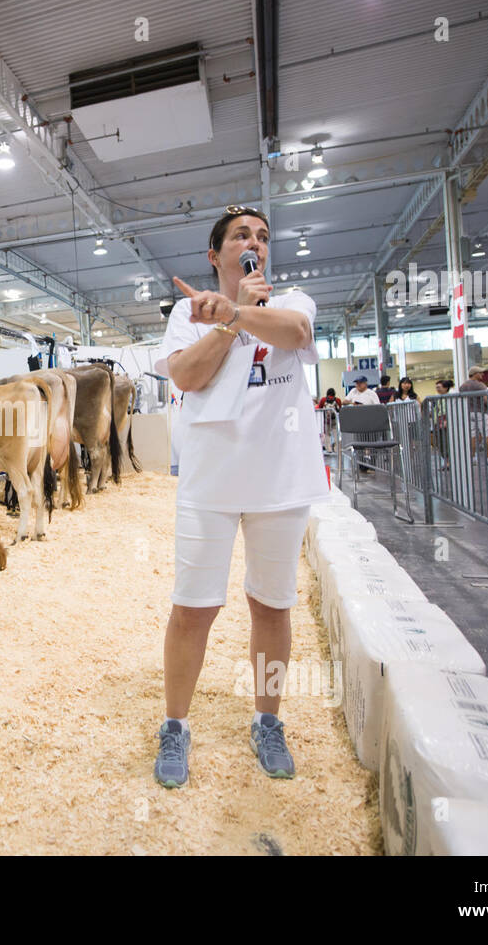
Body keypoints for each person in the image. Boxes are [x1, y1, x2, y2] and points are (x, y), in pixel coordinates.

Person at [152, 204, 329, 787]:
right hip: (211, 480)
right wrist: (227, 321)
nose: (253, 243)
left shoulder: (292, 302)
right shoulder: (189, 312)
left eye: (261, 236)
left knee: (272, 605)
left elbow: (295, 334)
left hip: (279, 478)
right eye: (240, 236)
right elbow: (186, 377)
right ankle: (175, 725)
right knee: (193, 606)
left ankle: (266, 719)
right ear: (215, 254)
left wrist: (243, 310)